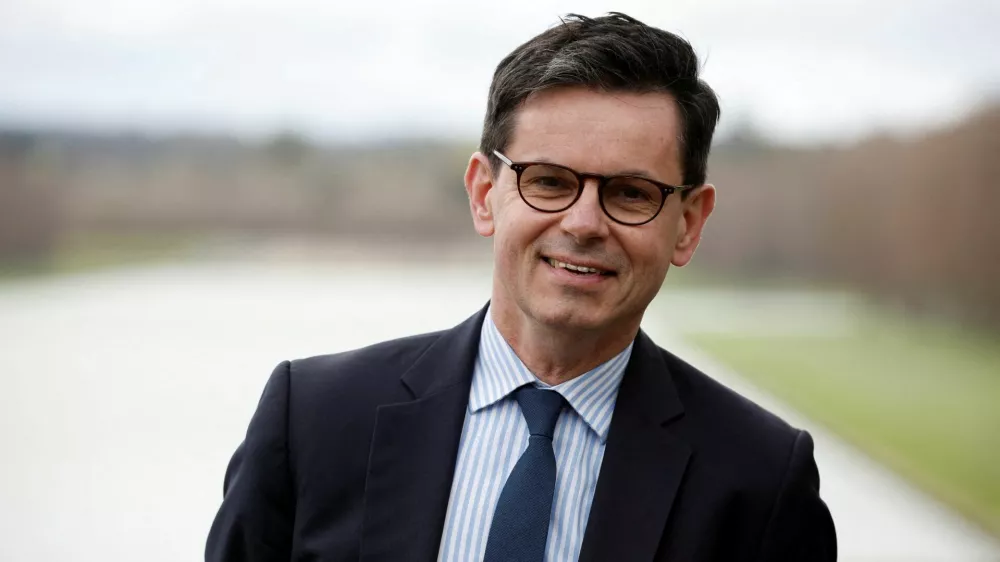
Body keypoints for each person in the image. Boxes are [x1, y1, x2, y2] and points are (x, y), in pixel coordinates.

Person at [205, 12, 837, 562]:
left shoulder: (758, 480)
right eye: (550, 181)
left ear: (688, 224)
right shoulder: (314, 421)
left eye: (631, 193)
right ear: (486, 194)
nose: (585, 223)